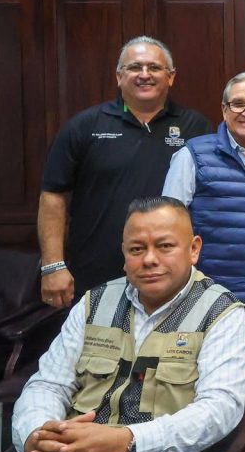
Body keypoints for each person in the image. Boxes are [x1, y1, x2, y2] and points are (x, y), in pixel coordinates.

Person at [12, 197, 245, 452]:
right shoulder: (95, 303)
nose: (149, 259)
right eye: (137, 249)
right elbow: (48, 385)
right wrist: (39, 436)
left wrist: (128, 441)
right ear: (124, 254)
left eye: (165, 246)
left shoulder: (221, 313)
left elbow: (219, 409)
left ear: (193, 249)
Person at [162, 71, 245, 420]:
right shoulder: (193, 156)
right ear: (224, 110)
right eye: (238, 104)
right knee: (215, 394)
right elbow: (167, 230)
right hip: (216, 298)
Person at [39, 36, 211, 307]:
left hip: (169, 275)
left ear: (171, 77)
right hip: (95, 273)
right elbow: (53, 195)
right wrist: (53, 265)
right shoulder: (84, 126)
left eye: (154, 67)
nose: (144, 74)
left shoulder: (195, 127)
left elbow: (229, 163)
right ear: (119, 76)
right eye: (134, 67)